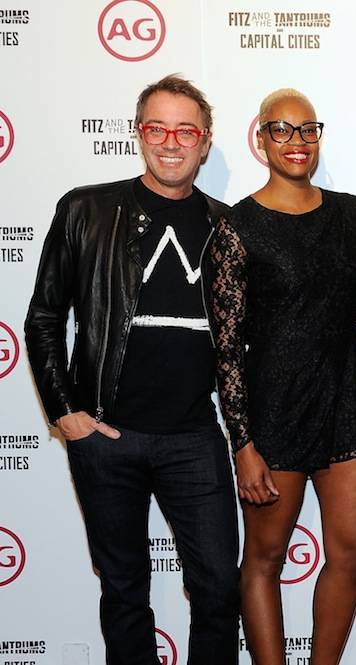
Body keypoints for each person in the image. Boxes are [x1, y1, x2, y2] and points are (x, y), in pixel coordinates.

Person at [24, 75, 239, 665]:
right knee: (124, 591)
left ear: (205, 141)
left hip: (195, 436)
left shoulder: (227, 226)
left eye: (186, 131)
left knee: (220, 589)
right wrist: (67, 414)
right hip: (105, 437)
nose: (171, 142)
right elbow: (44, 316)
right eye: (157, 128)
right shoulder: (86, 209)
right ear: (138, 134)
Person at [208, 88, 356, 665]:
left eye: (307, 129)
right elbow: (226, 350)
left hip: (347, 404)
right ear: (261, 138)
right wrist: (243, 443)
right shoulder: (236, 227)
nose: (297, 141)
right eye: (282, 129)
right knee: (264, 559)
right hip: (274, 412)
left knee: (350, 552)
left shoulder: (350, 213)